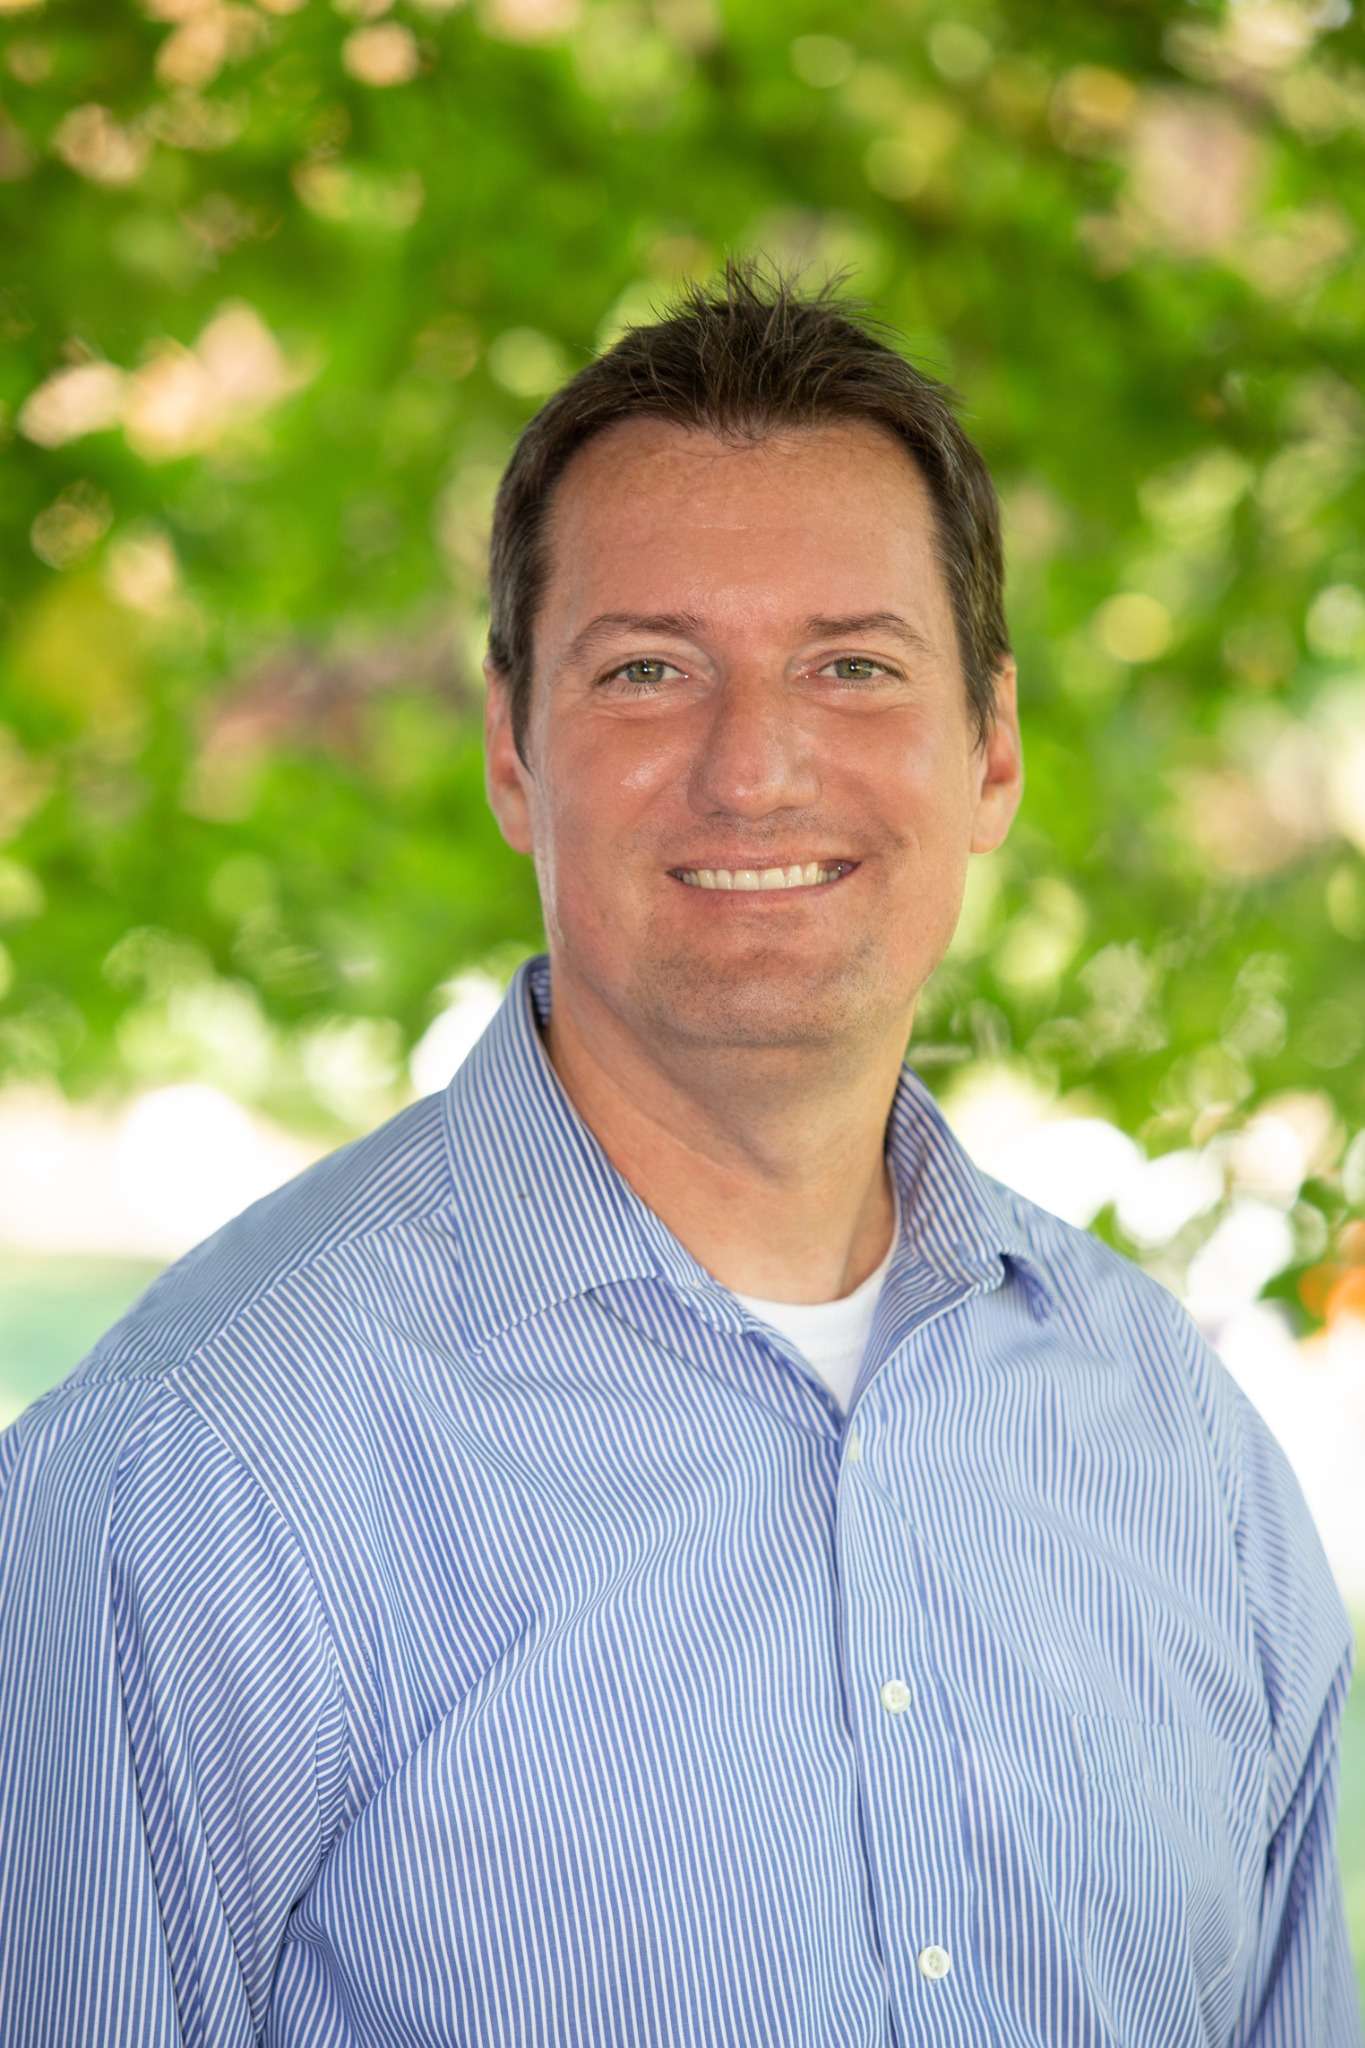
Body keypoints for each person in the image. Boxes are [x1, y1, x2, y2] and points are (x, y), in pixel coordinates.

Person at [1, 258, 1360, 2048]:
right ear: (509, 752)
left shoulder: (1172, 1442)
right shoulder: (190, 1476)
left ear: (992, 751)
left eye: (853, 669)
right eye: (647, 671)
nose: (756, 771)